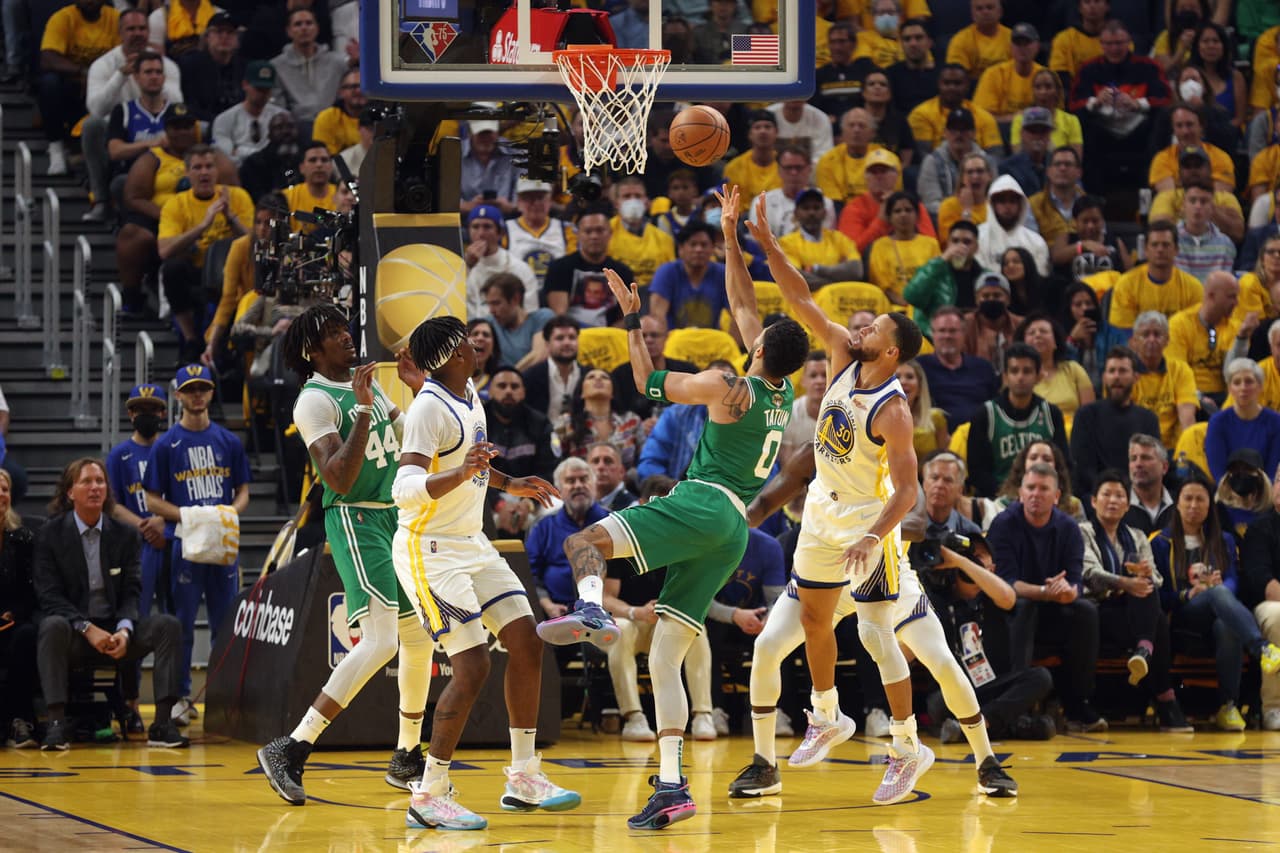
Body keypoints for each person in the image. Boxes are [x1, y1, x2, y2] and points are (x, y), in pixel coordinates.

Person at [536, 186, 810, 829]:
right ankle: (671, 784)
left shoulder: (727, 384)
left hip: (701, 502)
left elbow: (643, 381)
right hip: (733, 530)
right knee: (664, 655)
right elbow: (743, 301)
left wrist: (631, 319)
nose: (748, 324)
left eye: (757, 332)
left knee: (583, 546)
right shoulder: (779, 386)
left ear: (760, 348)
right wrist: (729, 232)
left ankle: (593, 611)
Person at [743, 190, 959, 804]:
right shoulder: (840, 355)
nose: (861, 327)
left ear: (890, 350)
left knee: (876, 634)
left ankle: (905, 744)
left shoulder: (892, 411)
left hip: (869, 522)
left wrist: (873, 534)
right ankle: (827, 713)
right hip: (821, 512)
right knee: (813, 616)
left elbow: (910, 488)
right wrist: (768, 246)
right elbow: (799, 298)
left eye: (874, 328)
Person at [731, 422, 1019, 801]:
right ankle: (765, 764)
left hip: (884, 569)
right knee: (768, 646)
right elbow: (765, 504)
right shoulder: (817, 451)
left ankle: (986, 761)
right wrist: (732, 521)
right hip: (825, 570)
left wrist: (868, 534)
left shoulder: (891, 461)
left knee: (941, 661)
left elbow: (916, 521)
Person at [391, 315, 578, 829]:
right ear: (452, 356)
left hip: (471, 542)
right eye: (469, 343)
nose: (479, 346)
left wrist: (507, 481)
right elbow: (404, 489)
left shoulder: (465, 388)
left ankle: (523, 777)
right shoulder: (429, 408)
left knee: (527, 640)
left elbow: (469, 459)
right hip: (429, 550)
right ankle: (428, 793)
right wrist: (465, 471)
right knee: (472, 666)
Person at [256, 305, 436, 805]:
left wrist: (420, 388)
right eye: (334, 333)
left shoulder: (370, 385)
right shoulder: (313, 401)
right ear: (313, 349)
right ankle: (292, 747)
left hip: (394, 516)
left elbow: (410, 438)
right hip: (356, 518)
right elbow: (338, 477)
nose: (346, 338)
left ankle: (406, 755)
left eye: (344, 329)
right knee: (379, 642)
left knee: (418, 639)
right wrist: (359, 411)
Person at [35, 458, 187, 750]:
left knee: (167, 625)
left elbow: (132, 591)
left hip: (117, 631)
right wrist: (86, 628)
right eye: (86, 482)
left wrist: (125, 629)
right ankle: (56, 723)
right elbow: (50, 596)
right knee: (50, 626)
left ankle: (163, 723)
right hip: (76, 633)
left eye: (100, 481)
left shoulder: (125, 534)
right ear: (70, 492)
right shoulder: (50, 534)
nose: (95, 487)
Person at [143, 365, 251, 722]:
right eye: (190, 390)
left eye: (203, 388)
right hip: (185, 543)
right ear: (178, 396)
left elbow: (244, 493)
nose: (197, 395)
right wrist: (190, 516)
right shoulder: (166, 445)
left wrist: (226, 516)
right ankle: (180, 697)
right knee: (182, 625)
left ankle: (222, 697)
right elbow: (151, 500)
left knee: (225, 623)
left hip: (221, 544)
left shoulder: (229, 442)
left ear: (211, 393)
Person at [1151, 475, 1280, 730]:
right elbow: (1160, 595)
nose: (1194, 505)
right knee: (1217, 594)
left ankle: (1228, 706)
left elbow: (1233, 582)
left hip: (1223, 616)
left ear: (1210, 506)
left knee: (1226, 624)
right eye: (1188, 498)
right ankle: (1262, 648)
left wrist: (1218, 587)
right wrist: (1190, 594)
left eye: (1201, 499)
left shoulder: (1224, 541)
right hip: (1182, 617)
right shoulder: (1160, 542)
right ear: (1177, 503)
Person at [986, 463, 1105, 730]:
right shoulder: (1003, 524)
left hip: (1053, 611)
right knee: (1025, 605)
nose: (1035, 494)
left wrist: (1066, 593)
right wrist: (1044, 592)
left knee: (1086, 611)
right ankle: (1017, 703)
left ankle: (1077, 705)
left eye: (1043, 489)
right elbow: (1005, 584)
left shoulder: (1069, 528)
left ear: (1056, 496)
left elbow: (1075, 582)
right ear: (1020, 492)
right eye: (1030, 488)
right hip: (1009, 612)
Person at [1079, 470, 1194, 731]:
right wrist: (1125, 582)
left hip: (1133, 612)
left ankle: (1144, 652)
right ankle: (1165, 699)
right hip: (1098, 611)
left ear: (1127, 505)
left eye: (1119, 495)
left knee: (1148, 588)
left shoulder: (1138, 535)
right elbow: (1089, 573)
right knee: (1157, 621)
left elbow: (1157, 577)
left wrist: (1143, 575)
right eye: (1106, 494)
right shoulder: (1082, 532)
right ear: (1094, 501)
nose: (1113, 500)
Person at [156, 142, 253, 362]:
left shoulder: (237, 196)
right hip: (195, 269)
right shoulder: (175, 204)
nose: (204, 173)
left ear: (217, 170)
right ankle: (191, 339)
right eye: (197, 167)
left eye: (209, 166)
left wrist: (230, 217)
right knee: (171, 269)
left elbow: (255, 242)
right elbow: (164, 251)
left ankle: (228, 345)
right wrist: (203, 226)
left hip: (231, 271)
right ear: (187, 172)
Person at [1069, 19, 1172, 193]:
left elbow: (1165, 99)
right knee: (1081, 123)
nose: (1114, 49)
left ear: (1129, 43)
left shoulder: (1149, 67)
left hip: (1140, 128)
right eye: (1109, 44)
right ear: (1101, 44)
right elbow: (1073, 104)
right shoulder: (1088, 69)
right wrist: (1096, 101)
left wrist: (1138, 104)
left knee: (1162, 119)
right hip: (1101, 130)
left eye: (1119, 43)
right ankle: (1094, 197)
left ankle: (1149, 193)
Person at [966, 343, 1072, 498]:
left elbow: (1063, 464)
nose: (1020, 377)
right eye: (1014, 371)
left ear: (1038, 376)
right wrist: (1010, 496)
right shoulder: (985, 414)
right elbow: (978, 472)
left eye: (1027, 371)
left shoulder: (1051, 413)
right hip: (998, 498)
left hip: (1042, 495)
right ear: (1005, 377)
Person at [105, 384, 170, 626]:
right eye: (140, 409)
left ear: (162, 413)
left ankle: (173, 665)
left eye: (152, 409)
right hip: (134, 544)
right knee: (135, 610)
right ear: (130, 414)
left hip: (170, 538)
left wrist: (163, 522)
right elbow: (112, 504)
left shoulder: (169, 449)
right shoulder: (118, 455)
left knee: (172, 611)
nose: (146, 414)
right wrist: (146, 526)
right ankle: (132, 664)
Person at [38, 0, 121, 176]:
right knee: (49, 82)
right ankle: (56, 148)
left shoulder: (115, 18)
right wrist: (83, 72)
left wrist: (95, 76)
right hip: (73, 88)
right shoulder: (62, 18)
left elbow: (122, 56)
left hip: (104, 86)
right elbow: (48, 58)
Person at [1070, 348, 1160, 498]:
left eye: (1123, 371)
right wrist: (1110, 494)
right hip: (1095, 496)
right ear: (1104, 377)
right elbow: (1083, 468)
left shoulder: (1148, 419)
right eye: (1111, 371)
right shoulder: (1086, 415)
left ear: (1135, 377)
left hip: (1137, 496)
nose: (1116, 376)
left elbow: (1150, 466)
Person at [1108, 221, 1205, 339]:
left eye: (1166, 245)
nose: (1160, 250)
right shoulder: (1126, 284)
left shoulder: (1193, 287)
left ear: (1176, 250)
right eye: (1154, 245)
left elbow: (1196, 332)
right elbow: (1122, 334)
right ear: (1146, 250)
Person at [545, 206, 636, 326]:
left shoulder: (623, 272)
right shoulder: (559, 268)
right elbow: (560, 316)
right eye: (588, 231)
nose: (594, 236)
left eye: (599, 230)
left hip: (611, 336)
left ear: (610, 233)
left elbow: (628, 317)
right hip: (572, 335)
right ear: (578, 235)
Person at [1165, 271, 1248, 402]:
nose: (1236, 303)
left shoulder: (1236, 328)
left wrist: (1241, 338)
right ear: (1211, 296)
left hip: (1226, 397)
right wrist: (1198, 398)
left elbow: (1232, 374)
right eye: (1231, 297)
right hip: (1189, 396)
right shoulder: (1179, 324)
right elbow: (1176, 374)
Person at [0, 468, 38, 748]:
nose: (1, 494)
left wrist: (15, 612)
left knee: (26, 636)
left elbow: (31, 590)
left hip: (13, 620)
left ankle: (18, 720)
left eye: (5, 489)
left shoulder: (23, 538)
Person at [1240, 466, 1280, 730]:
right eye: (1279, 480)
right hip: (1265, 607)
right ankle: (1273, 707)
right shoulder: (1260, 528)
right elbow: (1263, 582)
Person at [918, 306, 1000, 430]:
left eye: (953, 331)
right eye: (941, 330)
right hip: (934, 440)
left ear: (963, 333)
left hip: (980, 435)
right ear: (933, 334)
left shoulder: (983, 368)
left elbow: (996, 408)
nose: (947, 336)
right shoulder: (919, 368)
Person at [1130, 312, 1199, 451]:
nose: (1152, 340)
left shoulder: (1180, 370)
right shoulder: (1125, 371)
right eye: (1145, 335)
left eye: (1157, 334)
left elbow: (1187, 417)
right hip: (1136, 449)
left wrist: (1187, 452)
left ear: (1167, 340)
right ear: (1134, 341)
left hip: (1172, 449)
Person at [1206, 359, 1280, 485]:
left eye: (1249, 381)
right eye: (1236, 382)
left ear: (1260, 386)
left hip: (1265, 495)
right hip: (1227, 495)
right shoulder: (1217, 422)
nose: (1243, 387)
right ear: (1229, 388)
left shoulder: (1275, 421)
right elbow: (1218, 473)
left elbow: (1273, 471)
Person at [610, 316, 698, 420]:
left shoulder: (688, 370)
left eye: (654, 335)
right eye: (643, 336)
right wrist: (639, 426)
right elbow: (616, 413)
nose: (649, 340)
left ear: (666, 338)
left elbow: (697, 409)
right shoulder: (619, 375)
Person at [271, 8, 348, 125]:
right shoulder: (276, 65)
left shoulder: (337, 62)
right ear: (289, 31)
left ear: (317, 28)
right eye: (298, 24)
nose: (304, 28)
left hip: (334, 124)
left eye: (309, 23)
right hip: (297, 127)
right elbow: (278, 107)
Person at [1014, 313, 1095, 426]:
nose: (1037, 335)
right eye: (1031, 333)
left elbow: (1090, 416)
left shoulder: (1073, 369)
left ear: (1055, 342)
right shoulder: (1017, 376)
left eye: (1043, 331)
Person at [553, 369, 644, 468]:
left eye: (604, 377)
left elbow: (645, 456)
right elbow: (554, 456)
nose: (598, 379)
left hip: (625, 481)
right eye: (591, 377)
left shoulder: (631, 421)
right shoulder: (566, 422)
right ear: (581, 393)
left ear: (613, 392)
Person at [464, 205, 539, 323]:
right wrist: (467, 266)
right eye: (475, 227)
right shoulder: (460, 268)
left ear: (501, 233)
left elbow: (530, 312)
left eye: (487, 227)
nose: (481, 233)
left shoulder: (520, 268)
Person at [905, 222, 984, 331]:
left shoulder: (984, 276)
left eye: (967, 242)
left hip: (972, 336)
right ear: (948, 244)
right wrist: (942, 260)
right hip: (935, 336)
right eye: (955, 241)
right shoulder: (934, 270)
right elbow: (912, 297)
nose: (960, 246)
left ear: (976, 247)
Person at [778, 189, 864, 289]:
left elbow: (856, 270)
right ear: (796, 213)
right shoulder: (786, 243)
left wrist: (817, 269)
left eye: (816, 208)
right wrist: (838, 277)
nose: (811, 213)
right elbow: (794, 278)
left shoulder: (839, 239)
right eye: (805, 208)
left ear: (824, 212)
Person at [866, 192, 940, 306]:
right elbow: (882, 286)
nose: (903, 215)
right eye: (897, 211)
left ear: (918, 215)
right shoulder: (880, 246)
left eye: (908, 210)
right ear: (889, 217)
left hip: (926, 307)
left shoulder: (931, 244)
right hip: (893, 309)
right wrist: (904, 303)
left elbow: (936, 279)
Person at [485, 367, 557, 483]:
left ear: (524, 392)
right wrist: (498, 501)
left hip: (531, 494)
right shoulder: (478, 421)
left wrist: (529, 499)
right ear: (490, 392)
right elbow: (475, 469)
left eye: (515, 387)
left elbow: (548, 468)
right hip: (486, 495)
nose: (508, 391)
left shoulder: (540, 423)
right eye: (502, 386)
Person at [976, 176, 1051, 278]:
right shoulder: (978, 236)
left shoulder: (1036, 241)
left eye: (1012, 201)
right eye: (1002, 201)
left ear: (1020, 205)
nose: (1007, 206)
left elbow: (1039, 277)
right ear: (993, 204)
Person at [973, 24, 1046, 125]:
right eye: (1018, 43)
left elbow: (1054, 115)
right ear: (1010, 47)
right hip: (1000, 132)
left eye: (1027, 43)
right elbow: (980, 117)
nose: (1022, 48)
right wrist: (1016, 118)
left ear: (1037, 46)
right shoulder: (993, 74)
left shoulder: (1045, 76)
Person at [481, 275, 552, 372]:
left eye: (496, 303)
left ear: (516, 299)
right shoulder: (488, 323)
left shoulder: (542, 317)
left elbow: (538, 355)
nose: (491, 310)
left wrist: (510, 377)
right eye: (489, 304)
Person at [1010, 71, 1084, 156]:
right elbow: (1017, 153)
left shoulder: (1071, 121)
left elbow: (1076, 158)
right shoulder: (1020, 119)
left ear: (1057, 91)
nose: (1043, 92)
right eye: (1038, 87)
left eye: (1048, 87)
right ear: (1033, 92)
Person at [1174, 182, 1236, 283]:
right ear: (1183, 205)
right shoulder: (1169, 240)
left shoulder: (1226, 244)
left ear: (1212, 208)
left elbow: (1225, 287)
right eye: (1192, 201)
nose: (1198, 206)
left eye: (1203, 202)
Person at [964, 271, 1022, 367]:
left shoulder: (1021, 325)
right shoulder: (963, 325)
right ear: (976, 299)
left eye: (997, 295)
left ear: (1008, 299)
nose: (991, 299)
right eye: (985, 296)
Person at [897, 359, 949, 461]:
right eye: (897, 377)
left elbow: (942, 458)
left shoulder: (936, 418)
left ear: (920, 387)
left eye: (910, 377)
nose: (902, 381)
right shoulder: (880, 418)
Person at [885, 18, 938, 114]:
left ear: (930, 42)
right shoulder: (890, 75)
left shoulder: (942, 74)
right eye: (907, 39)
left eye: (918, 38)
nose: (913, 44)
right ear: (901, 44)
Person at [589, 443, 637, 511]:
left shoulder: (633, 508)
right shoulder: (581, 505)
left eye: (608, 461)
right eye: (596, 461)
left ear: (621, 472)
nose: (600, 466)